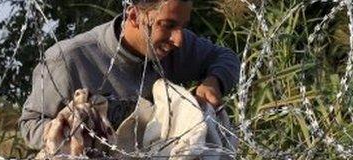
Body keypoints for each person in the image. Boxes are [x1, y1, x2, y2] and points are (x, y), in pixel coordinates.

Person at [20, 0, 240, 149]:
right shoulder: (69, 59)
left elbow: (226, 58)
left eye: (183, 26)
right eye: (167, 25)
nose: (179, 39)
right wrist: (89, 133)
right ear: (134, 16)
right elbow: (30, 127)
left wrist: (214, 82)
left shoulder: (175, 46)